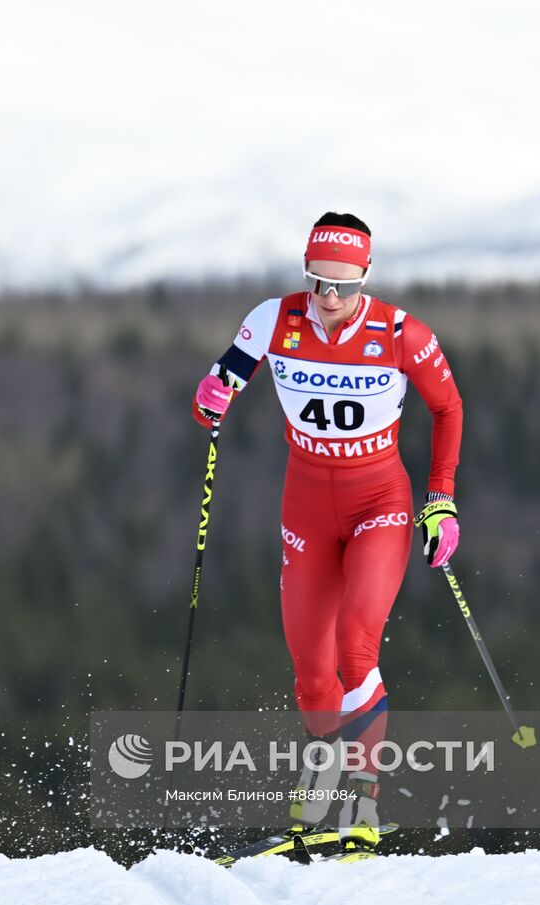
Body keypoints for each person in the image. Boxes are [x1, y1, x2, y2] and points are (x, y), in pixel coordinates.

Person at [193, 211, 462, 859]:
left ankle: (362, 809)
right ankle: (313, 812)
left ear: (365, 276)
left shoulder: (400, 332)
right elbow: (227, 373)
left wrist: (441, 498)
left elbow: (447, 406)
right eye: (318, 282)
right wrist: (214, 394)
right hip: (307, 503)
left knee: (356, 644)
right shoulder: (274, 318)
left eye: (343, 285)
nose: (330, 298)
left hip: (380, 500)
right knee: (312, 672)